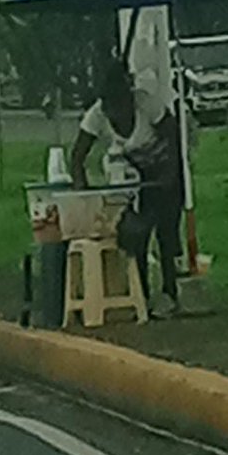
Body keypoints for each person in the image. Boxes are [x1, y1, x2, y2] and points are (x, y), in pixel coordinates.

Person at [70, 60, 184, 317]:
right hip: (136, 179)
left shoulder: (148, 104)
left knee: (166, 235)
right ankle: (141, 296)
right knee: (136, 233)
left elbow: (174, 136)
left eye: (122, 105)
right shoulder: (96, 116)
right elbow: (77, 156)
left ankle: (170, 293)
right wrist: (83, 188)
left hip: (166, 173)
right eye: (112, 108)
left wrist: (169, 175)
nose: (118, 113)